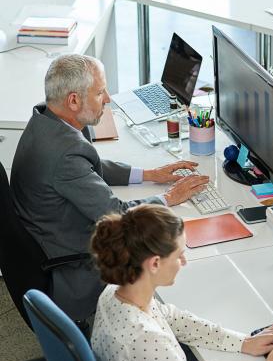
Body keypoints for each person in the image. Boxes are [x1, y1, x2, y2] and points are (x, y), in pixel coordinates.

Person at [10, 54, 208, 320]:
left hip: (50, 239)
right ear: (73, 100)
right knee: (172, 255)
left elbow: (88, 165)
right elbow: (119, 213)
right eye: (100, 92)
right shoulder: (64, 154)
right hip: (74, 268)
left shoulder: (46, 121)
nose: (108, 99)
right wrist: (170, 197)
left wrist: (149, 173)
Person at [91, 204, 273, 361]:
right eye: (179, 255)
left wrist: (243, 342)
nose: (184, 262)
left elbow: (173, 318)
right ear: (155, 263)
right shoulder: (144, 339)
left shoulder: (116, 291)